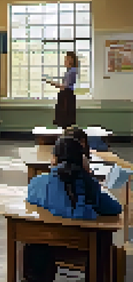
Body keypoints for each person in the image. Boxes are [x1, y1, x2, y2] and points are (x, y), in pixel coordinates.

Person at [24, 136, 122, 281]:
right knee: (105, 240)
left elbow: (31, 199)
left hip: (48, 243)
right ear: (82, 160)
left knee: (30, 241)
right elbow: (115, 208)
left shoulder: (39, 183)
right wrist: (87, 174)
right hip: (85, 246)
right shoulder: (90, 187)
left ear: (54, 159)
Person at [48, 51, 78, 129]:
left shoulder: (72, 71)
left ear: (71, 60)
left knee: (65, 119)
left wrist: (53, 83)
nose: (65, 61)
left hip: (67, 96)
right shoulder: (70, 71)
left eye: (66, 59)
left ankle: (65, 138)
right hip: (66, 96)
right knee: (64, 120)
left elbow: (65, 86)